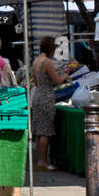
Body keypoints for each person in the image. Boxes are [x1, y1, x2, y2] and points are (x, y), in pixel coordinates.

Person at [31, 36, 70, 170]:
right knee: (45, 131)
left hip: (37, 95)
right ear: (51, 48)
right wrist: (65, 75)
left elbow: (35, 81)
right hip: (46, 96)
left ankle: (40, 160)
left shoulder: (36, 61)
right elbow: (57, 81)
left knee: (39, 130)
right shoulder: (47, 62)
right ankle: (43, 161)